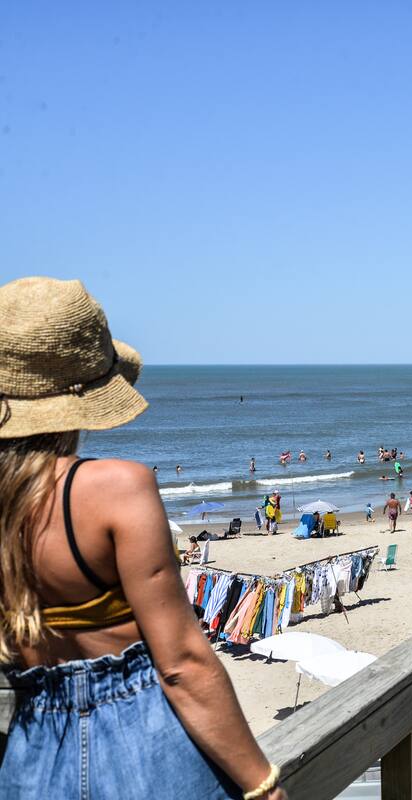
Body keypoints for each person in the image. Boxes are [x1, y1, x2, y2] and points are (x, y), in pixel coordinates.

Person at [0, 277, 285, 799]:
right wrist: (263, 785)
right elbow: (181, 663)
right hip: (145, 743)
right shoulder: (114, 488)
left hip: (31, 754)